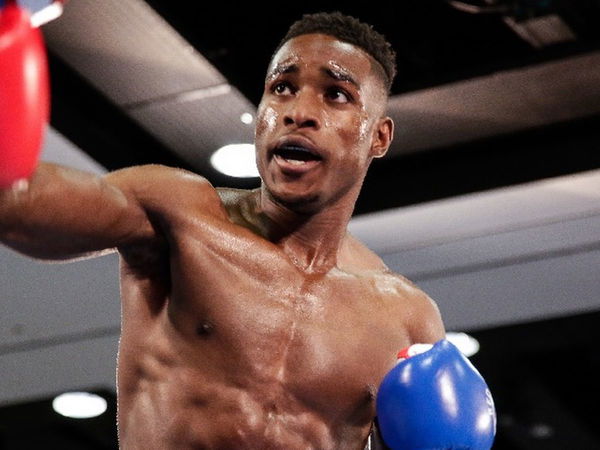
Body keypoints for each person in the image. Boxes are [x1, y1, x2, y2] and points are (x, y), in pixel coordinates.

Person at [1, 11, 449, 449]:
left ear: (379, 137)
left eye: (336, 95)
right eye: (282, 88)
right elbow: (17, 204)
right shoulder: (176, 211)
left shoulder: (406, 319)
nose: (298, 112)